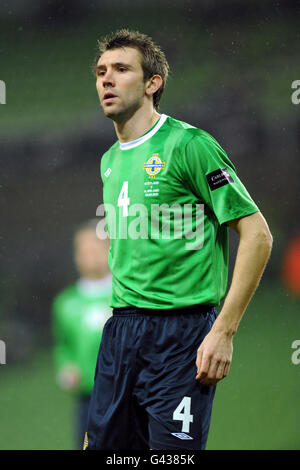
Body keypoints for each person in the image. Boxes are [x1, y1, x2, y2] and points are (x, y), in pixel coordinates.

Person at [84, 29, 273, 451]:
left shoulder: (190, 145)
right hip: (121, 334)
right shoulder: (110, 160)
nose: (106, 80)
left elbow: (257, 233)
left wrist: (224, 329)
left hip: (181, 335)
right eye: (100, 72)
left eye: (120, 69)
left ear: (153, 83)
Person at [52, 219, 111, 449]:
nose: (89, 256)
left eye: (95, 248)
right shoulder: (66, 303)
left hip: (129, 393)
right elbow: (63, 346)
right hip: (88, 399)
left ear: (109, 249)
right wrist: (66, 368)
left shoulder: (125, 295)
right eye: (83, 250)